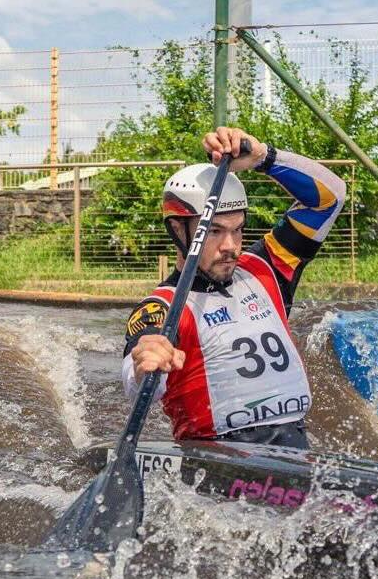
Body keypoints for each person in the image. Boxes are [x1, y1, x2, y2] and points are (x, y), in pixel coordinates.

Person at [122, 127, 346, 449]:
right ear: (177, 230)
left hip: (295, 449)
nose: (231, 246)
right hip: (218, 462)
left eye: (238, 230)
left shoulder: (267, 267)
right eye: (214, 231)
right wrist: (144, 365)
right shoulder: (162, 306)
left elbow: (330, 198)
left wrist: (263, 157)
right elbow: (138, 375)